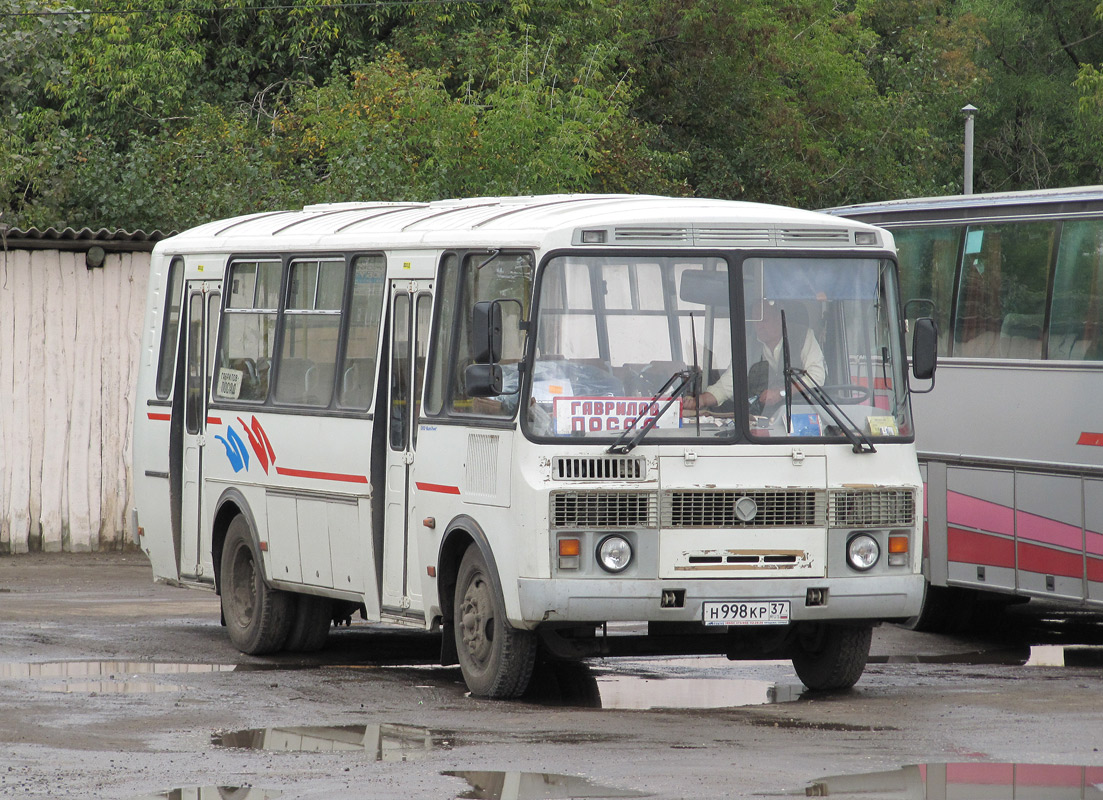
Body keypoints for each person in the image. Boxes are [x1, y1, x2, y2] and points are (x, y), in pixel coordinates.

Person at [683, 300, 825, 413]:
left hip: (800, 415)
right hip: (760, 421)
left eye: (764, 320)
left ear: (780, 318)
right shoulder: (749, 346)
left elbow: (817, 376)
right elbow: (730, 382)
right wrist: (701, 400)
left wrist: (781, 393)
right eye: (755, 320)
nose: (759, 326)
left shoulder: (803, 336)